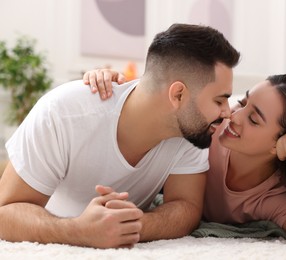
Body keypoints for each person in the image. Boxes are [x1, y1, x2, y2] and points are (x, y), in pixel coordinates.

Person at [0, 23, 240, 249]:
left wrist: (132, 224)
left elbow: (186, 207)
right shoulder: (62, 113)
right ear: (178, 95)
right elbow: (4, 212)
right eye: (220, 100)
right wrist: (77, 231)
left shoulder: (191, 130)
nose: (227, 112)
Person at [85, 71, 286, 250]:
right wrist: (116, 84)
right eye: (243, 103)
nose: (233, 116)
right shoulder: (209, 128)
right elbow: (161, 102)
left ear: (277, 145)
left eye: (254, 119)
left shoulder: (270, 198)